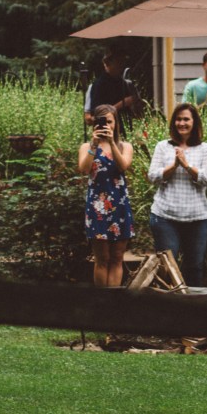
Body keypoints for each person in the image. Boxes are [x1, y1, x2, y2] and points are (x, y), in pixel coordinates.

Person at [147, 103, 207, 288]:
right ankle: (168, 304)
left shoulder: (206, 149)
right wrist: (174, 166)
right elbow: (152, 176)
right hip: (165, 217)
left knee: (194, 267)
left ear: (194, 122)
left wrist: (186, 165)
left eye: (186, 119)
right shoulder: (163, 146)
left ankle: (193, 304)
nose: (182, 123)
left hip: (197, 218)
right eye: (178, 119)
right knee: (168, 268)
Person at [79, 104, 134, 288]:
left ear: (115, 123)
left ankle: (114, 300)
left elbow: (123, 166)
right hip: (97, 207)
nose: (106, 126)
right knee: (101, 258)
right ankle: (102, 300)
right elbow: (84, 169)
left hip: (120, 204)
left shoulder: (124, 146)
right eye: (102, 122)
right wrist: (94, 145)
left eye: (109, 122)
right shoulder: (87, 147)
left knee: (117, 257)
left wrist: (111, 143)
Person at [84, 44, 144, 137]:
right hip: (106, 134)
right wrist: (123, 103)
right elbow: (97, 116)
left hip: (126, 132)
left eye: (123, 61)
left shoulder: (124, 83)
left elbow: (137, 115)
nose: (122, 64)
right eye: (118, 61)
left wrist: (136, 105)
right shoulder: (99, 85)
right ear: (108, 62)